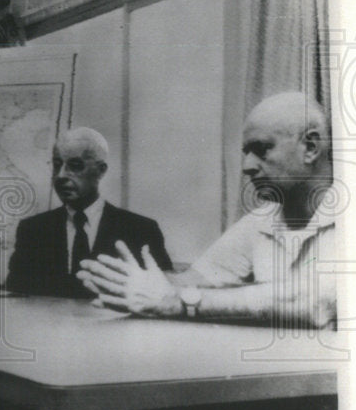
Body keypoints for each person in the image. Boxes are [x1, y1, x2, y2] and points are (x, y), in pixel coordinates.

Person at [78, 92, 336, 328]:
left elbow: (313, 302)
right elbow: (196, 279)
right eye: (246, 153)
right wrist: (128, 282)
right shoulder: (261, 220)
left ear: (310, 148)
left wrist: (176, 301)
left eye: (261, 149)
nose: (247, 166)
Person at [6, 126, 172, 297]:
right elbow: (16, 293)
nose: (61, 175)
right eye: (57, 165)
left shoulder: (141, 230)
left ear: (101, 170)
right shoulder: (33, 229)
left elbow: (163, 293)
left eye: (75, 166)